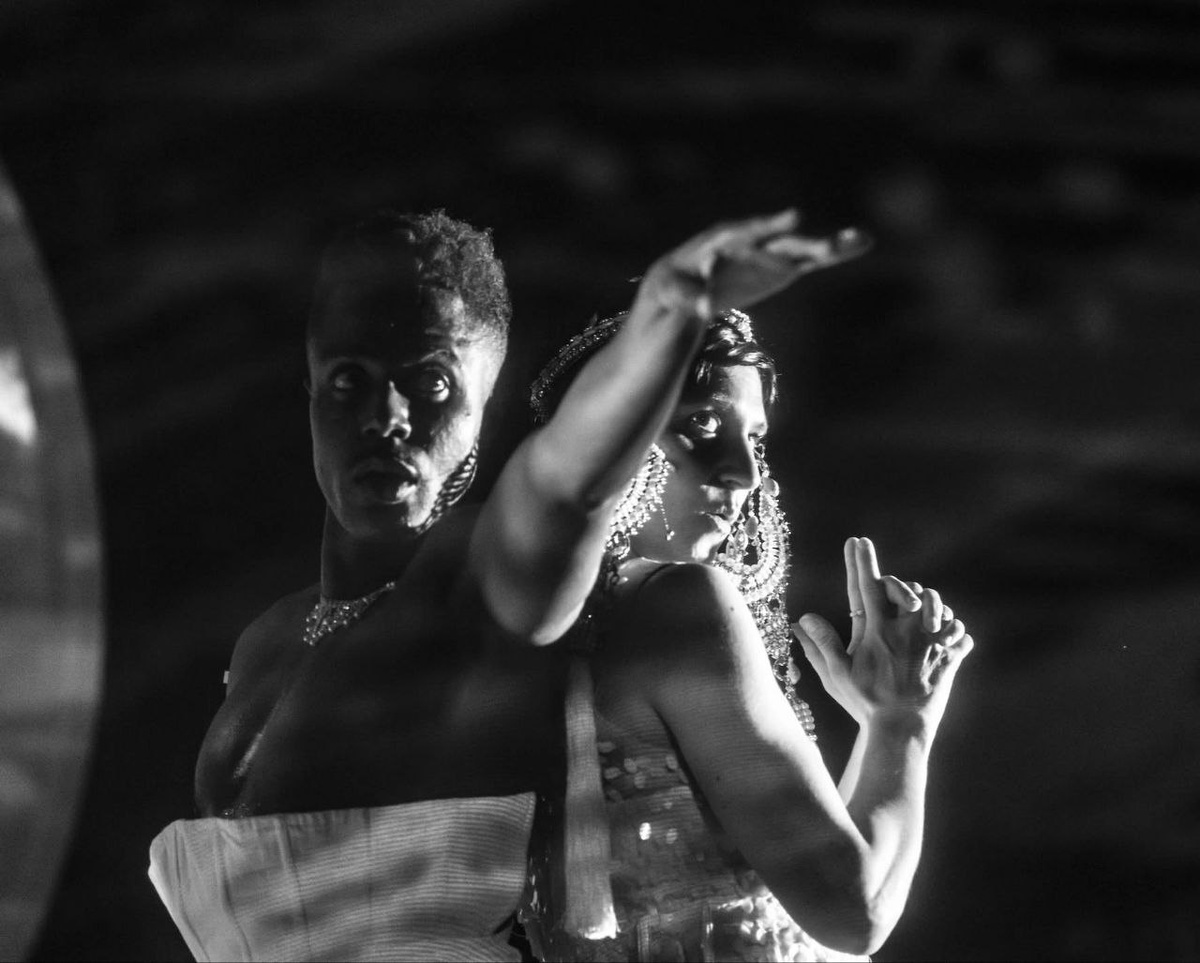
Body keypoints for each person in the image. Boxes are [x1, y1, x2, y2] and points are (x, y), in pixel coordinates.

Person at [147, 207, 864, 961]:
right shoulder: (267, 638)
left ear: (485, 406)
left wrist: (669, 312)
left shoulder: (482, 591)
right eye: (349, 379)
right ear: (310, 387)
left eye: (430, 382)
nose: (386, 416)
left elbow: (565, 486)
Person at [521, 309, 974, 962]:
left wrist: (883, 727)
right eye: (704, 423)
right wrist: (905, 721)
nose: (744, 472)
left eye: (754, 438)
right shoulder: (679, 604)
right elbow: (856, 910)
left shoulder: (521, 620)